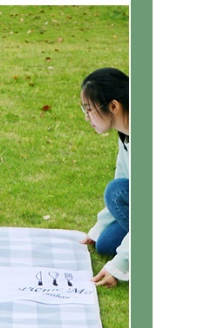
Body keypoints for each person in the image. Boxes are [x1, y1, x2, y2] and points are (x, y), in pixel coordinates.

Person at [79, 67, 129, 287]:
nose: (86, 117)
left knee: (116, 192)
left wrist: (117, 267)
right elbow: (123, 177)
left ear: (113, 106)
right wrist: (98, 229)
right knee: (105, 243)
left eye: (89, 109)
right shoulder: (126, 134)